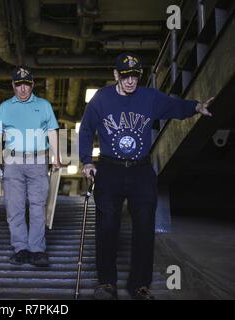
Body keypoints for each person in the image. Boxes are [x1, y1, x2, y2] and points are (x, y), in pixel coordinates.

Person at [79, 52, 214, 300]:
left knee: (143, 228)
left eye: (135, 76)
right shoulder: (101, 99)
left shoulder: (150, 97)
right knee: (107, 226)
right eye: (126, 76)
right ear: (116, 75)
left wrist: (195, 106)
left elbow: (174, 106)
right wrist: (86, 161)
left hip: (141, 171)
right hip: (109, 170)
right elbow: (86, 129)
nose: (131, 81)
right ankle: (106, 283)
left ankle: (139, 285)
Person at [0, 66, 60, 267]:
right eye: (18, 85)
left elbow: (52, 132)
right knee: (15, 206)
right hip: (12, 162)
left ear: (32, 85)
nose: (22, 89)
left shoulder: (44, 105)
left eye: (26, 85)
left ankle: (37, 250)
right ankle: (21, 248)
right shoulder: (5, 107)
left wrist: (57, 157)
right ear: (13, 85)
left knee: (38, 206)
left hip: (38, 160)